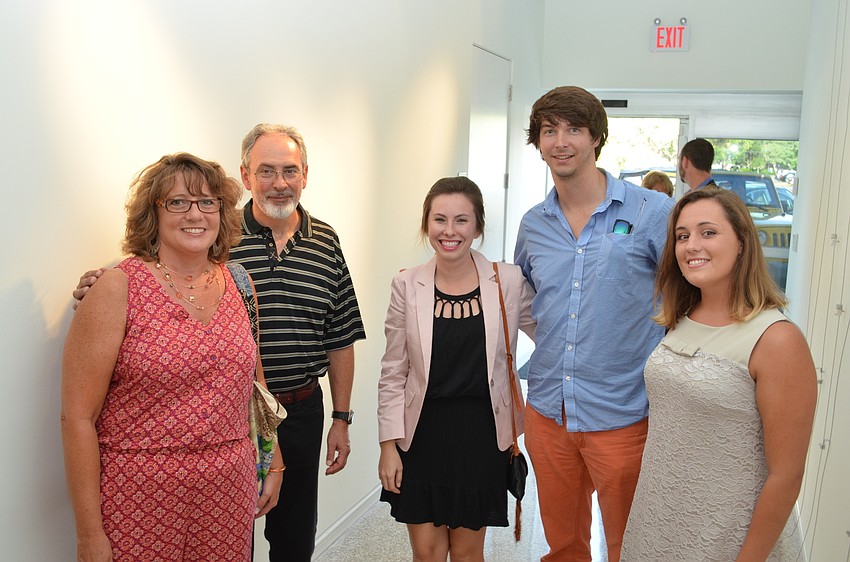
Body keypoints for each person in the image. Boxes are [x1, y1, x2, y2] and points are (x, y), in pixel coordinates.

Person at [72, 124, 367, 562]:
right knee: (238, 541)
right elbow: (159, 274)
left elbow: (340, 335)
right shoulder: (221, 242)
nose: (279, 182)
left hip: (294, 413)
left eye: (289, 170)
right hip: (222, 427)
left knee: (294, 539)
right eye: (266, 171)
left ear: (305, 174)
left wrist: (341, 416)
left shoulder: (322, 242)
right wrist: (104, 287)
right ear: (246, 176)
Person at [62, 153, 283, 561]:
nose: (194, 214)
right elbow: (77, 418)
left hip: (227, 492)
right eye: (178, 202)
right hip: (139, 499)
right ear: (154, 213)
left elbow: (253, 385)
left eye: (207, 202)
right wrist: (89, 535)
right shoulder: (117, 287)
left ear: (221, 211)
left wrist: (274, 461)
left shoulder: (238, 281)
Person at [513, 86, 675, 562]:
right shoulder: (533, 224)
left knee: (631, 545)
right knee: (564, 544)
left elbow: (682, 300)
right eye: (549, 130)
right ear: (538, 142)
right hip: (548, 410)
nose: (561, 141)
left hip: (623, 413)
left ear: (597, 138)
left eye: (574, 129)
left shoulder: (651, 212)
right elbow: (526, 297)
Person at [620, 187, 816, 560]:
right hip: (660, 518)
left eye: (708, 232)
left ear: (742, 242)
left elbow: (785, 476)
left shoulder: (777, 340)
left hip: (729, 533)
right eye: (682, 236)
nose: (692, 245)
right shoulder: (679, 320)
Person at [377, 177, 535, 561]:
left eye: (462, 220)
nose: (450, 231)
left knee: (467, 554)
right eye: (440, 220)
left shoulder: (508, 281)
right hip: (421, 435)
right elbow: (393, 371)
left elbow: (553, 334)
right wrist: (387, 447)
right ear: (426, 225)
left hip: (482, 435)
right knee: (427, 553)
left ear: (478, 227)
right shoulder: (406, 284)